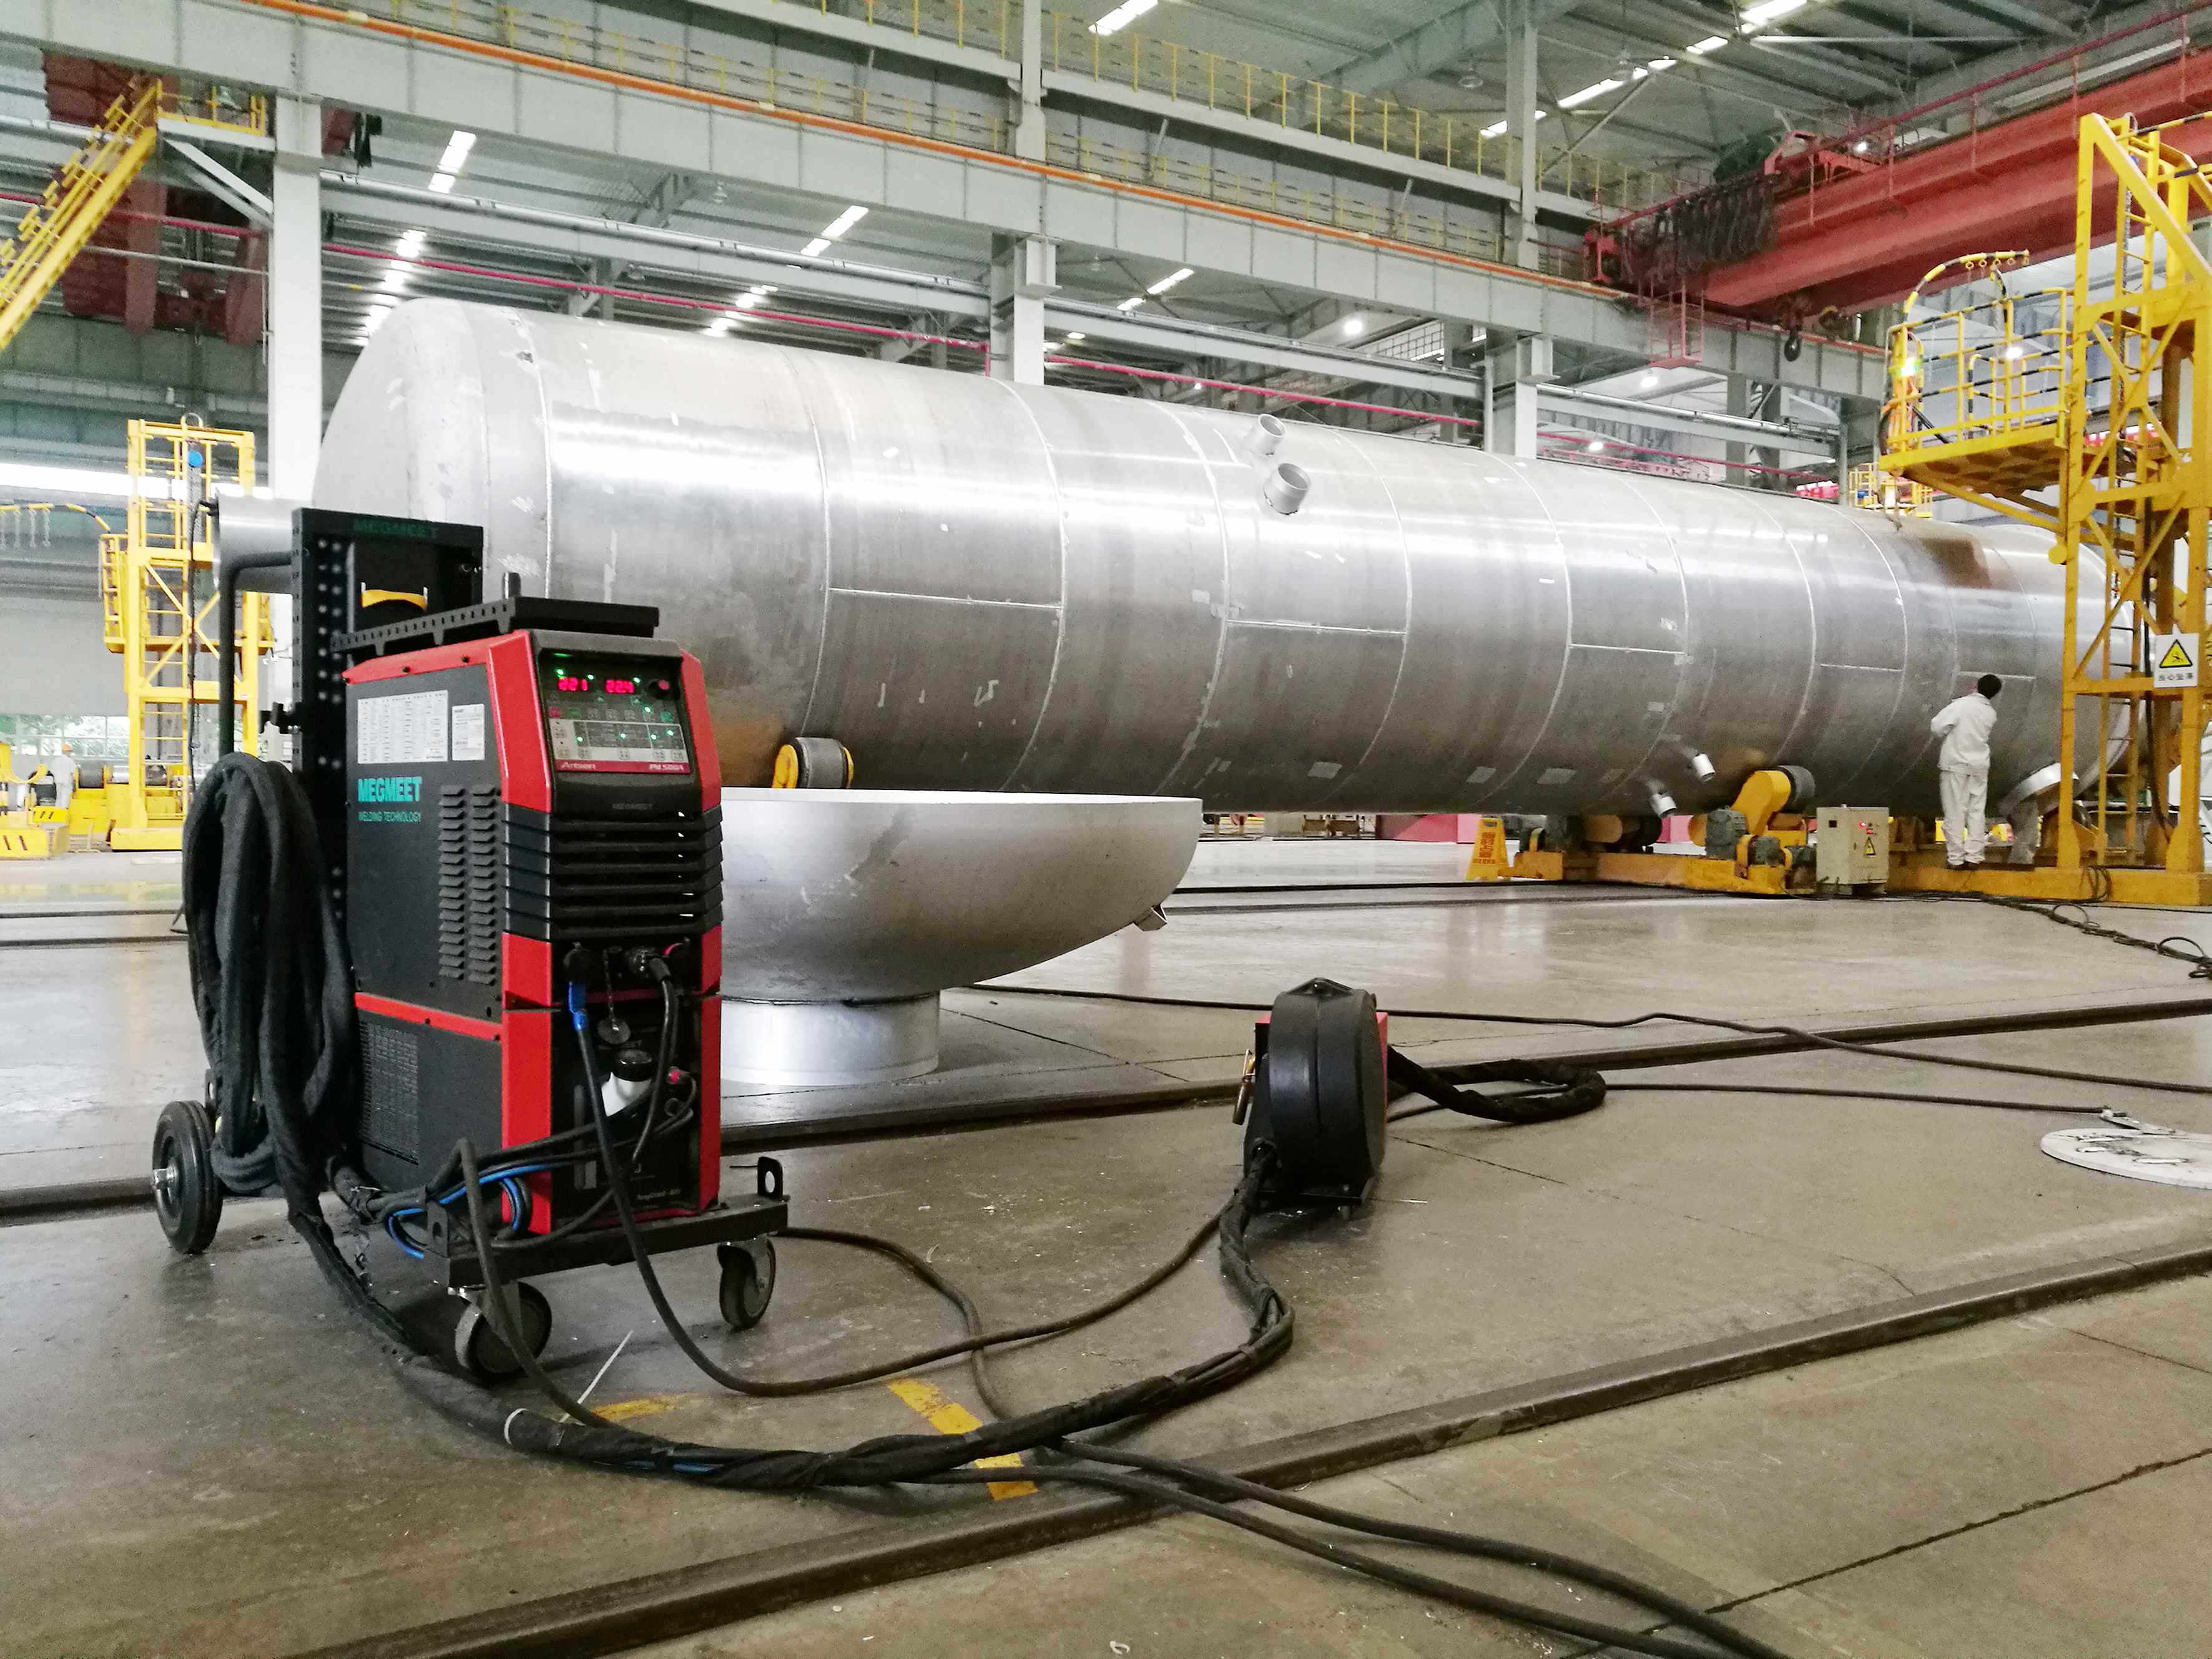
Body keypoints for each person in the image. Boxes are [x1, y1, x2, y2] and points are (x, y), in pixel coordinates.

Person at [1930, 675, 2002, 868]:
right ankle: (1974, 857)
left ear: (1975, 686)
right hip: (1980, 766)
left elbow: (1937, 727)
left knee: (1955, 812)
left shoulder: (1961, 705)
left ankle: (1956, 859)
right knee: (1976, 813)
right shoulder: (1990, 713)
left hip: (1956, 765)